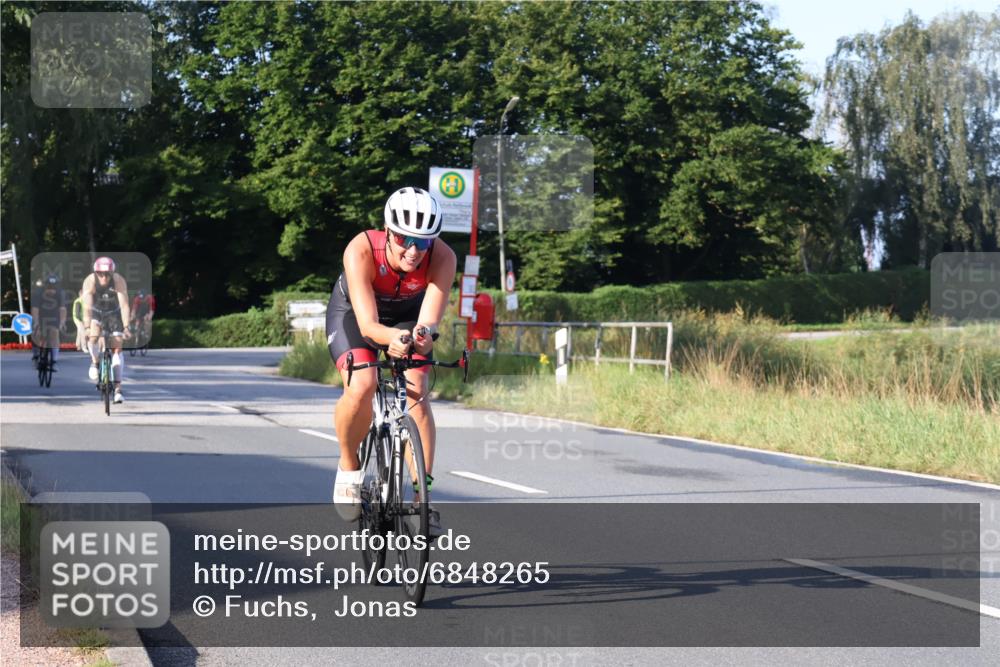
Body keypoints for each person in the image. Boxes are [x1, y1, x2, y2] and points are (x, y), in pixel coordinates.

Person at [326, 187, 456, 531]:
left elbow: (429, 322)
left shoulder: (444, 257)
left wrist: (421, 337)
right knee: (363, 383)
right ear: (388, 232)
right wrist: (390, 339)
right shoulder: (362, 249)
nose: (414, 251)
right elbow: (368, 325)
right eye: (404, 240)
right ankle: (349, 464)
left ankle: (421, 499)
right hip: (355, 315)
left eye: (424, 242)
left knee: (417, 390)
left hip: (406, 315)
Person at [82, 257, 131, 404]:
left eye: (107, 274)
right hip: (97, 312)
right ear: (95, 272)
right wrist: (86, 327)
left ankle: (118, 389)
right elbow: (87, 307)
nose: (103, 277)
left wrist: (127, 326)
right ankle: (95, 362)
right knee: (94, 335)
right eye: (100, 273)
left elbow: (124, 306)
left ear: (112, 272)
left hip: (114, 313)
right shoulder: (90, 281)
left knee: (117, 347)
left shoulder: (118, 281)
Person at [30, 274, 67, 367]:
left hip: (53, 316)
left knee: (55, 333)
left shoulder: (60, 293)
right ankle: (36, 355)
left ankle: (54, 360)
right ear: (45, 286)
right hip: (40, 315)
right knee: (36, 332)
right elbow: (35, 310)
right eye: (49, 288)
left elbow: (62, 309)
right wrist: (36, 323)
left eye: (54, 288)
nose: (51, 290)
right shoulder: (38, 293)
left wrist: (62, 322)